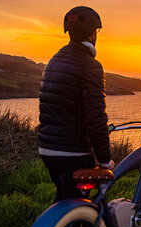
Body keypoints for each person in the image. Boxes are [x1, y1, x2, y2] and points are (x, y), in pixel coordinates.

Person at [39, 6, 114, 202]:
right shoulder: (90, 66)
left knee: (65, 202)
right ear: (93, 33)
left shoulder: (54, 61)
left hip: (48, 150)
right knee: (78, 207)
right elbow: (96, 116)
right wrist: (105, 160)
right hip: (73, 153)